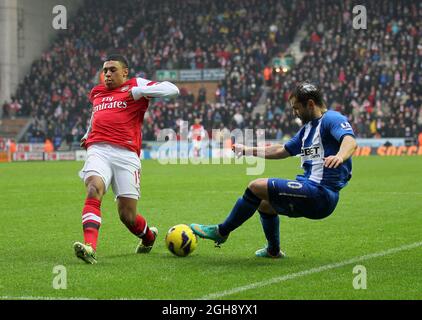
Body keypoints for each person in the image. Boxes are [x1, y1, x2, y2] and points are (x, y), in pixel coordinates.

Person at [191, 82, 357, 258]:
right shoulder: (307, 130)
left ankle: (221, 231)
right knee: (264, 203)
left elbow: (349, 141)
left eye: (296, 108)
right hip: (311, 190)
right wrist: (248, 150)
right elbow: (281, 150)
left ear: (310, 104)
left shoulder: (332, 119)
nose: (294, 113)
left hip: (322, 193)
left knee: (256, 186)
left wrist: (340, 156)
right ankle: (273, 250)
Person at [74, 54, 179, 264]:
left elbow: (172, 90)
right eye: (105, 70)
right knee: (94, 188)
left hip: (127, 155)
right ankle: (90, 247)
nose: (107, 74)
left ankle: (148, 237)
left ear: (125, 72)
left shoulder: (135, 85)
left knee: (127, 216)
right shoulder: (97, 92)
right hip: (99, 150)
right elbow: (96, 115)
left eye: (112, 70)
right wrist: (87, 134)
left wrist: (141, 91)